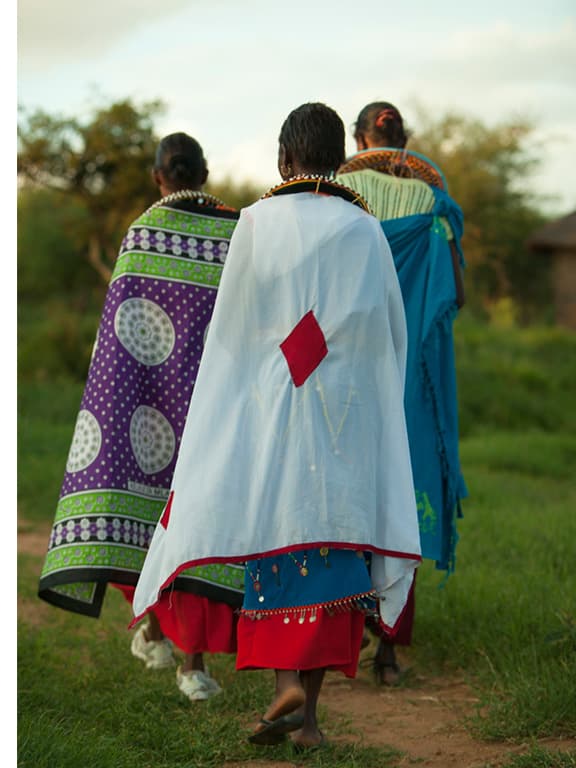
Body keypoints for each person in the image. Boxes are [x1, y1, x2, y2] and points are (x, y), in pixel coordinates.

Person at [132, 103, 422, 750]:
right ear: (335, 157)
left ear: (285, 160)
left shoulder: (257, 224)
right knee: (333, 545)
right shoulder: (364, 230)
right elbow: (388, 336)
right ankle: (310, 717)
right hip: (342, 415)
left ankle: (284, 681)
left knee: (280, 535)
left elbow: (231, 332)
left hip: (274, 408)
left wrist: (227, 402)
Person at [37, 132, 243, 701]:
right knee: (196, 529)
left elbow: (120, 338)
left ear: (158, 178)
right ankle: (189, 664)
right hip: (212, 411)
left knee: (149, 524)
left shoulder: (141, 235)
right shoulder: (235, 236)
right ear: (203, 173)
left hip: (148, 409)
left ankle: (161, 635)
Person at [337, 102, 468, 686]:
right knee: (401, 497)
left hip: (345, 373)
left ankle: (337, 637)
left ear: (357, 137)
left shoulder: (337, 195)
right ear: (402, 139)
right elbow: (454, 295)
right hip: (408, 376)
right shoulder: (433, 204)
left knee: (346, 494)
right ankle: (387, 651)